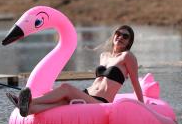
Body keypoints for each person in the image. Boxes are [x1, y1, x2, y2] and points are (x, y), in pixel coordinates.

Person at [7, 25, 144, 117]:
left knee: (66, 87)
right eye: (118, 33)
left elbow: (135, 83)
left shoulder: (128, 57)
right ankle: (29, 109)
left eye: (125, 36)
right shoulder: (104, 56)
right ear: (114, 36)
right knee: (60, 103)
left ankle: (28, 101)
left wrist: (144, 107)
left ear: (129, 42)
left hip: (101, 101)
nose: (120, 37)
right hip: (87, 94)